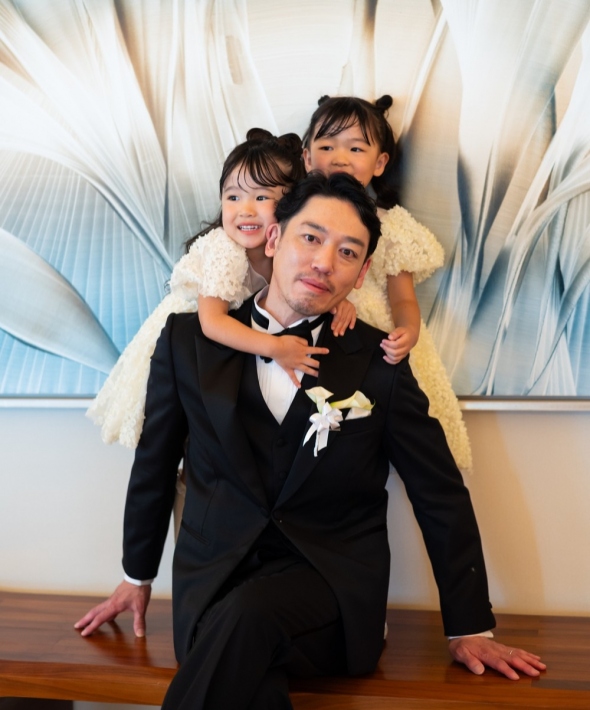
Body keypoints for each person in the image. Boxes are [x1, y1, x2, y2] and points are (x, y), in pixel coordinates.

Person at [75, 172, 545, 709]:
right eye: (311, 237)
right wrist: (135, 576)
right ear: (274, 238)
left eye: (347, 252)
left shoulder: (378, 361)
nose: (324, 262)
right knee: (252, 673)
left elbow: (438, 492)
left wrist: (469, 626)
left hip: (332, 592)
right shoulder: (189, 342)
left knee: (249, 619)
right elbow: (155, 465)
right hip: (212, 586)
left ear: (362, 273)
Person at [87, 128, 353, 449]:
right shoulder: (225, 249)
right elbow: (212, 322)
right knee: (176, 425)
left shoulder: (286, 249)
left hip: (230, 341)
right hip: (190, 339)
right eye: (233, 197)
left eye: (261, 197)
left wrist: (338, 302)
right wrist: (276, 348)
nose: (245, 209)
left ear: (293, 204)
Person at [303, 95, 472, 471]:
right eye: (327, 146)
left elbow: (403, 299)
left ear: (380, 163)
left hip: (374, 342)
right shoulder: (296, 218)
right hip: (312, 341)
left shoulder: (391, 226)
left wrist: (408, 331)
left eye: (355, 148)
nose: (340, 157)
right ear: (307, 157)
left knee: (388, 427)